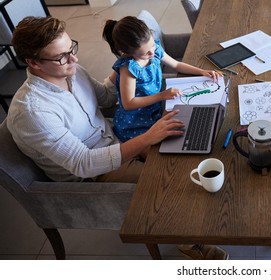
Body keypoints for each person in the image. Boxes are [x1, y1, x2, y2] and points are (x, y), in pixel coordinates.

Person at [7, 16, 228, 260]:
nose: (75, 59)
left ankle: (191, 223)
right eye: (62, 57)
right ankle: (187, 243)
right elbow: (84, 163)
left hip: (114, 138)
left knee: (190, 151)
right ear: (33, 63)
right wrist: (147, 138)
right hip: (93, 172)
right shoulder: (33, 112)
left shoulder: (72, 71)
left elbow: (105, 99)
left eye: (72, 49)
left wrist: (126, 65)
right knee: (174, 183)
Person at [102, 16, 222, 142]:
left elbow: (176, 65)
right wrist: (162, 95)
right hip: (136, 121)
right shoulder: (128, 68)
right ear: (127, 52)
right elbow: (128, 104)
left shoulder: (153, 49)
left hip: (157, 108)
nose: (152, 54)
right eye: (145, 53)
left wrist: (201, 72)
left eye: (152, 45)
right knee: (171, 140)